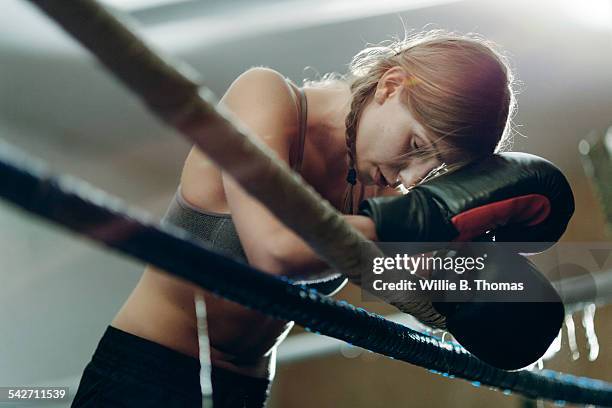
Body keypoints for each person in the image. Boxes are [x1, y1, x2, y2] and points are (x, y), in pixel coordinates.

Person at [71, 29, 516, 407]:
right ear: (390, 85)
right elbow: (275, 253)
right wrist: (399, 226)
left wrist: (485, 278)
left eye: (434, 166)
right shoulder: (265, 97)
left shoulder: (383, 185)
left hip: (245, 391)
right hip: (147, 370)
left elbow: (421, 299)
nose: (413, 175)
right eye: (417, 144)